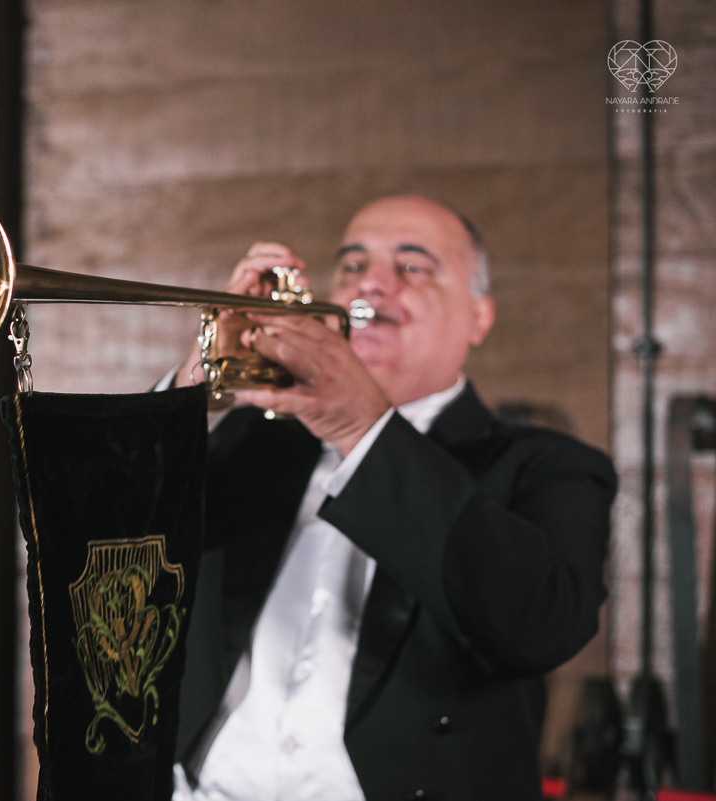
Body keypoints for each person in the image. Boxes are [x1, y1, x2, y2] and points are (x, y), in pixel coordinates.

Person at [168, 195, 616, 800]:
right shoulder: (255, 434)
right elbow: (116, 530)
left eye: (412, 267)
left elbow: (540, 627)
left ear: (479, 318)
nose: (371, 284)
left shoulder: (549, 463)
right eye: (353, 265)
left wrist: (362, 428)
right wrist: (195, 382)